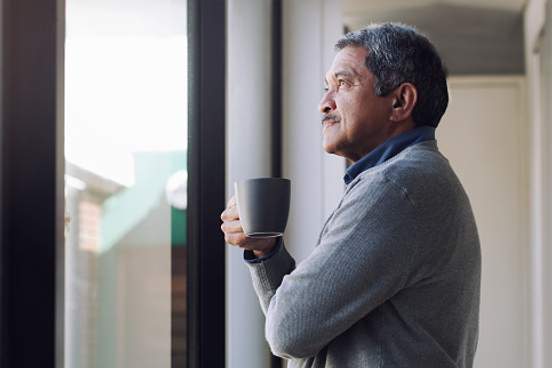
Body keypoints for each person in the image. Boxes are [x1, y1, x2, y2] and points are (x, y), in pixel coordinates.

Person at [220, 22, 481, 368]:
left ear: (400, 101)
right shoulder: (411, 179)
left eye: (342, 84)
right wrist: (265, 249)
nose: (323, 104)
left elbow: (288, 331)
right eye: (326, 87)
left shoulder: (396, 187)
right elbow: (303, 331)